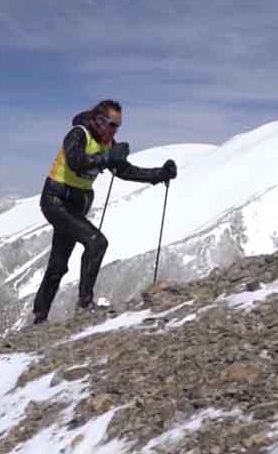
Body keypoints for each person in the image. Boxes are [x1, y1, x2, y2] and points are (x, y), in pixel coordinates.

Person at [31, 99, 177, 324]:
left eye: (118, 126)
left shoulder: (107, 143)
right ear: (99, 121)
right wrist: (107, 158)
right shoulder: (78, 134)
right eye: (113, 124)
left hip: (74, 205)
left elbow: (126, 171)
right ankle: (84, 305)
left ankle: (39, 318)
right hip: (55, 200)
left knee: (58, 264)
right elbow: (75, 162)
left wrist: (160, 174)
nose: (115, 130)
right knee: (96, 242)